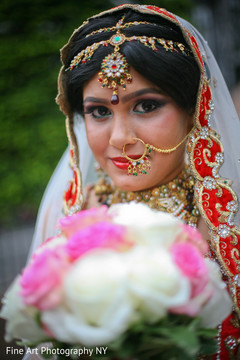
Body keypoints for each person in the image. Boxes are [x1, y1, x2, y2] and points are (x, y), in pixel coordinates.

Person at [25, 4, 240, 359]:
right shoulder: (70, 221)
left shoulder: (226, 223)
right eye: (99, 112)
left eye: (146, 106)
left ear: (194, 109)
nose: (119, 138)